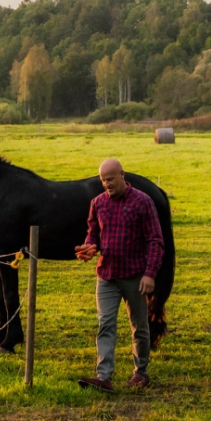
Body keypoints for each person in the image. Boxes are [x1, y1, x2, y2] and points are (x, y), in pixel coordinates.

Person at [74, 158, 163, 392]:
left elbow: (156, 241)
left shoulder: (143, 202)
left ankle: (140, 373)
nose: (106, 184)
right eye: (103, 180)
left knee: (140, 327)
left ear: (122, 175)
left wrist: (150, 274)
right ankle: (103, 376)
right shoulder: (97, 204)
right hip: (106, 276)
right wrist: (89, 247)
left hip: (135, 276)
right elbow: (93, 234)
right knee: (105, 324)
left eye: (110, 179)